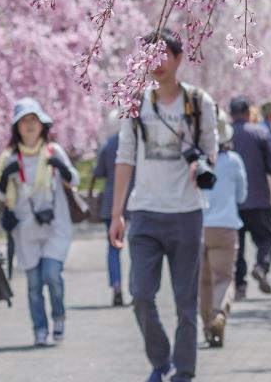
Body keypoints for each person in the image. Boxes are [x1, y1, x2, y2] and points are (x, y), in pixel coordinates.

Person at [108, 28, 219, 382]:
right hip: (144, 214)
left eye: (163, 55)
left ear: (178, 59)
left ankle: (183, 371)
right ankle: (160, 360)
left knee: (186, 303)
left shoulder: (199, 102)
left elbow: (211, 152)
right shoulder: (135, 102)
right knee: (140, 295)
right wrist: (117, 214)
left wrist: (200, 165)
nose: (156, 64)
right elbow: (125, 157)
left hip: (186, 213)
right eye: (150, 57)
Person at [0, 97, 79, 347]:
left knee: (52, 275)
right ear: (16, 127)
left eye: (34, 120)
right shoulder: (9, 158)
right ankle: (39, 329)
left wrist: (61, 167)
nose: (29, 125)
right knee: (33, 284)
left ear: (42, 125)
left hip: (55, 226)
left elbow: (73, 180)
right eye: (24, 121)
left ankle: (59, 318)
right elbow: (0, 194)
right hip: (25, 228)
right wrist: (3, 180)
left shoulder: (53, 151)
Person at [228, 96, 271, 300]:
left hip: (232, 202)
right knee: (267, 238)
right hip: (257, 198)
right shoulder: (260, 133)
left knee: (236, 246)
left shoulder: (225, 136)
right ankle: (261, 266)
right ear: (249, 112)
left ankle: (240, 286)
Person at [199, 111, 246, 348]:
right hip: (226, 226)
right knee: (224, 278)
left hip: (199, 227)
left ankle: (207, 327)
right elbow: (242, 194)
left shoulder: (197, 160)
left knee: (203, 282)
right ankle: (219, 315)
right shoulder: (234, 161)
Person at [92, 112, 132, 307]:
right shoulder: (137, 143)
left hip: (111, 199)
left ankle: (116, 286)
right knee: (137, 245)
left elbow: (98, 172)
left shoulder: (108, 145)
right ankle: (136, 286)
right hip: (134, 198)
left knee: (113, 246)